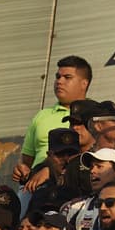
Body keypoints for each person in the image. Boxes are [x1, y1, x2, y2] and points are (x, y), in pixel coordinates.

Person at [14, 56, 93, 186]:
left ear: (84, 83)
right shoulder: (41, 116)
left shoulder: (94, 113)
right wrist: (22, 170)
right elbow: (27, 159)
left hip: (76, 184)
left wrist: (50, 170)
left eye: (67, 77)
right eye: (57, 77)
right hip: (35, 185)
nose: (59, 81)